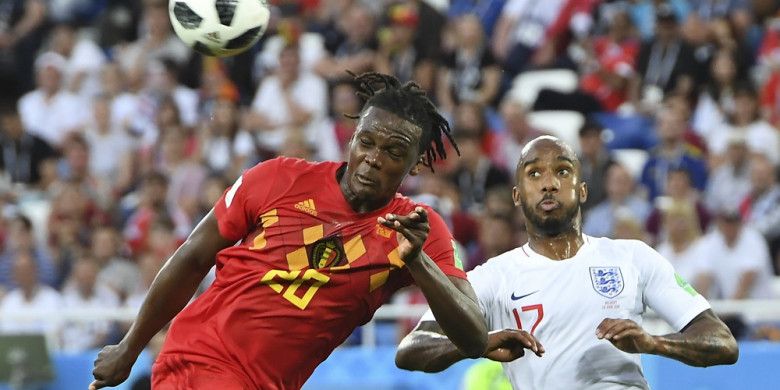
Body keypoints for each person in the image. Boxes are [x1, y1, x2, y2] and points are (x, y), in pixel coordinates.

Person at [90, 72, 488, 389]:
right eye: (365, 142)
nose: (372, 159)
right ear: (351, 138)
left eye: (394, 152)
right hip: (200, 361)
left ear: (416, 165)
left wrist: (417, 261)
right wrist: (130, 347)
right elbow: (193, 256)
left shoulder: (419, 228)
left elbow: (473, 335)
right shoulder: (277, 178)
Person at [396, 136, 738, 389]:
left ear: (583, 190)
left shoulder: (632, 257)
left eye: (562, 171)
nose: (548, 184)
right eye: (533, 174)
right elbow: (412, 350)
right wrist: (479, 344)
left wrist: (654, 343)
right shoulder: (493, 277)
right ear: (517, 195)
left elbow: (722, 342)